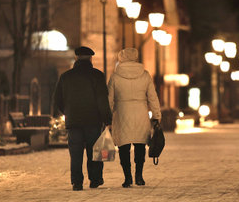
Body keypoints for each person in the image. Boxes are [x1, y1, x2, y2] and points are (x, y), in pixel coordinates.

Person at [53, 46, 112, 191]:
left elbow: (58, 99)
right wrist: (107, 119)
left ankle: (77, 182)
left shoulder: (66, 76)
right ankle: (95, 179)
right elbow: (102, 100)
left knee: (76, 153)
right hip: (93, 120)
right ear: (91, 58)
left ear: (76, 58)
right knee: (94, 151)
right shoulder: (97, 75)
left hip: (73, 121)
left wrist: (67, 111)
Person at [108, 48, 161, 188]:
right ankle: (139, 176)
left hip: (121, 113)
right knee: (140, 146)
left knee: (123, 147)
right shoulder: (145, 75)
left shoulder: (115, 77)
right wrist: (156, 115)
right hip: (140, 113)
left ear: (121, 58)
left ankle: (127, 178)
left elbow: (110, 99)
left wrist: (107, 117)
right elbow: (152, 97)